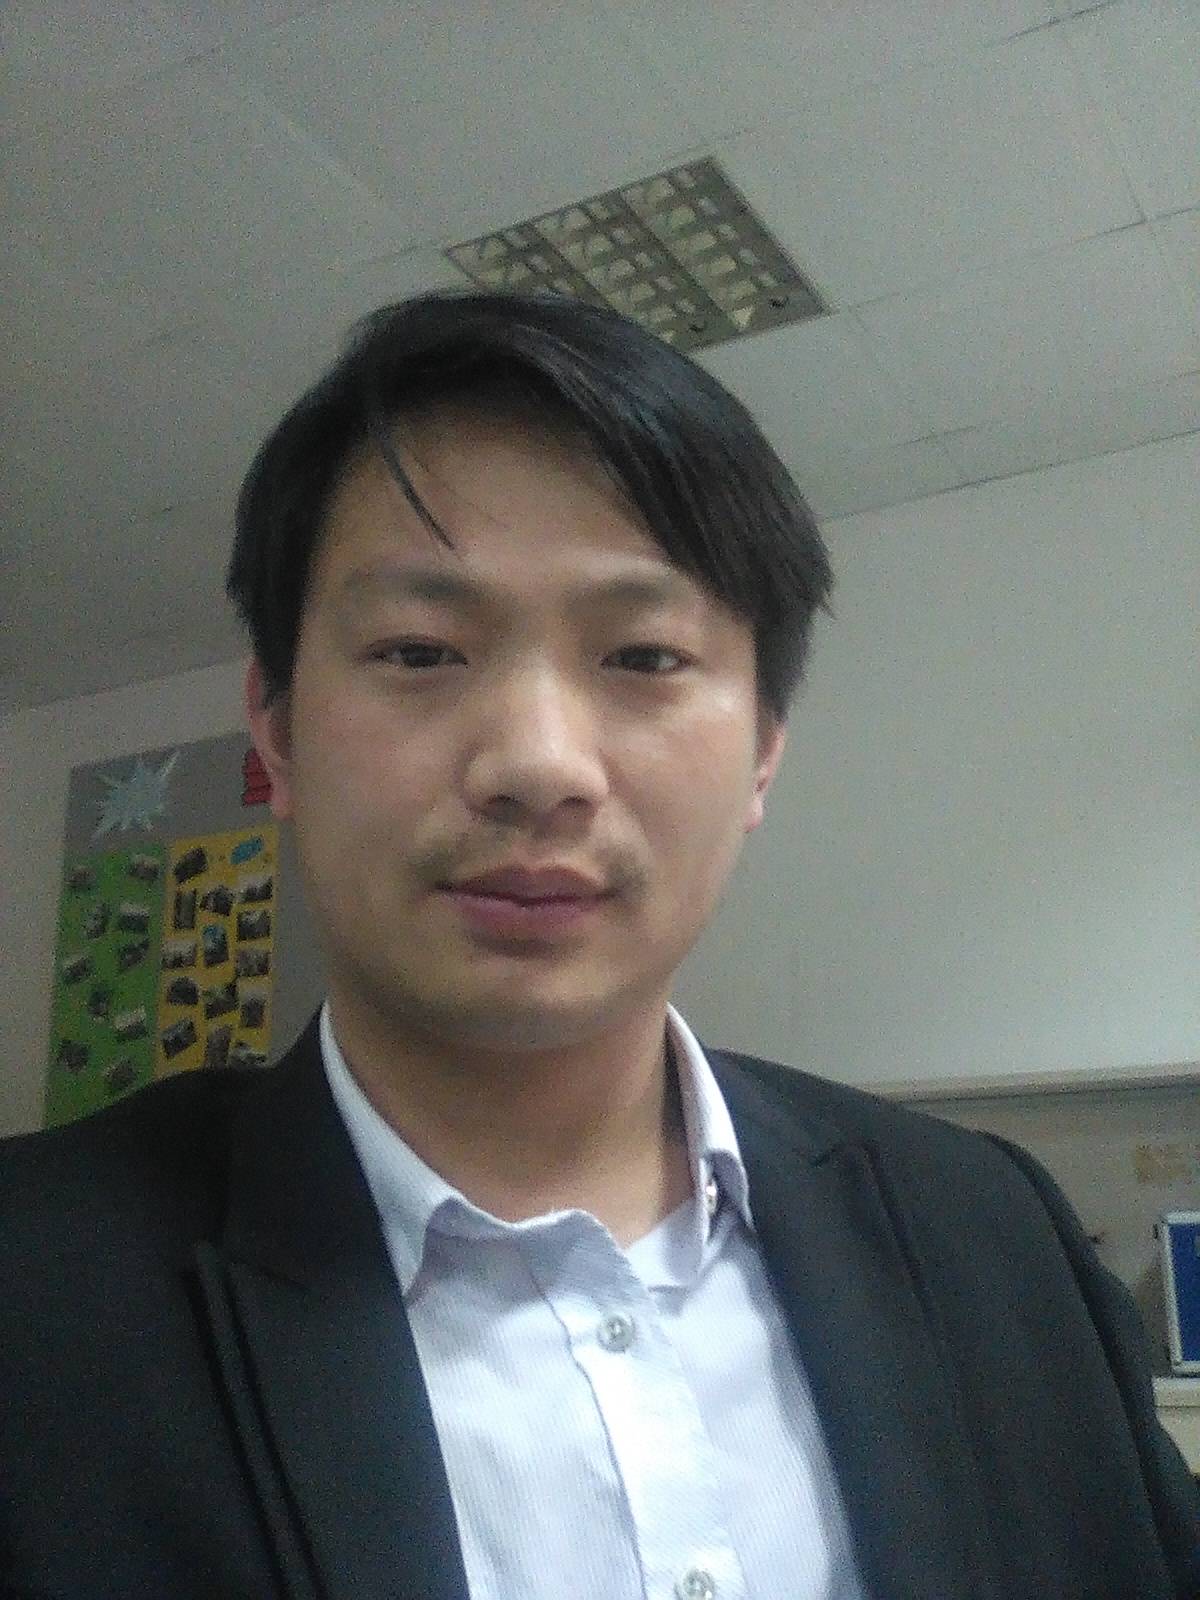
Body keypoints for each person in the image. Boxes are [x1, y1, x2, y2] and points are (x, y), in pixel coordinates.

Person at [1, 290, 1196, 1600]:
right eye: (419, 649)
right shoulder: (38, 1296)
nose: (537, 765)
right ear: (277, 736)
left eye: (643, 655)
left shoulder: (993, 1234)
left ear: (762, 754)